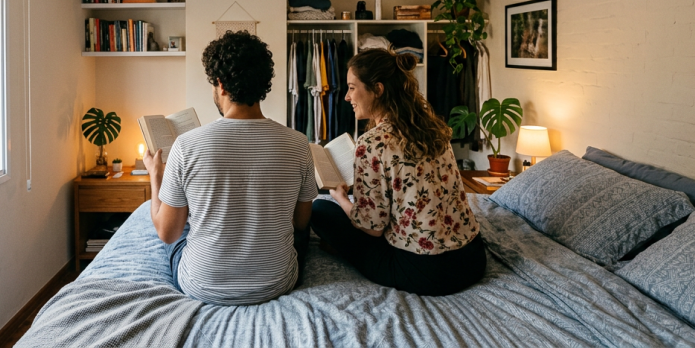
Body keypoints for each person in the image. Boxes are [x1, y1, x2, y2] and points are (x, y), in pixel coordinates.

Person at [142, 31, 318, 306]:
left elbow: (167, 233)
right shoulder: (297, 143)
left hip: (203, 286)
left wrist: (156, 176)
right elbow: (301, 222)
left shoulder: (186, 145)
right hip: (277, 283)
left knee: (180, 232)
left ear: (221, 85)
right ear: (263, 85)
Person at [310, 48, 486, 296]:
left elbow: (372, 229)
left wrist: (340, 197)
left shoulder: (372, 143)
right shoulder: (434, 128)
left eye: (352, 87)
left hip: (425, 271)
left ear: (378, 89)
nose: (347, 97)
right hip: (473, 259)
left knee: (320, 209)